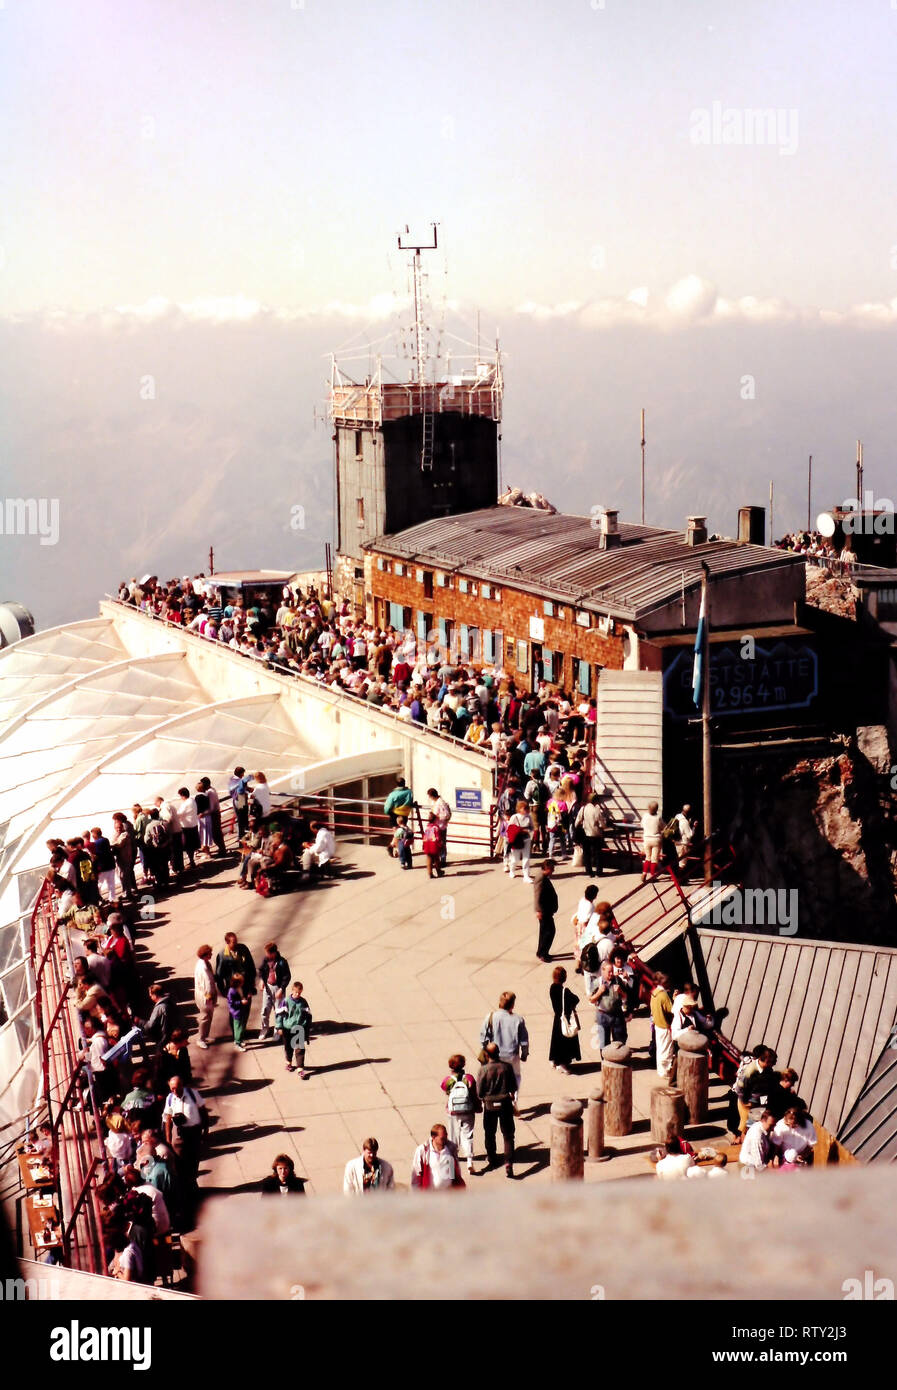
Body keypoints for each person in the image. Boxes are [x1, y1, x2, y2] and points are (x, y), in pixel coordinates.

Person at [161, 1075, 208, 1204]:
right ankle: (187, 1190)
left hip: (194, 1132)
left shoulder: (193, 1095)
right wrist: (168, 1137)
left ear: (182, 1085)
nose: (175, 1091)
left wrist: (206, 1130)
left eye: (177, 1088)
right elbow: (168, 1119)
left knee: (194, 1160)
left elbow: (203, 1111)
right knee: (180, 1164)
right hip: (179, 1134)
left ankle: (193, 1185)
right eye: (172, 1089)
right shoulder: (170, 1099)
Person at [476, 1043, 517, 1177]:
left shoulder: (484, 1070)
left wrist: (483, 1097)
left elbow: (479, 1091)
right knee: (508, 1135)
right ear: (499, 1052)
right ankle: (509, 1163)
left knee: (489, 1133)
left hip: (490, 1105)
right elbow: (513, 1086)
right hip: (505, 1104)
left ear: (486, 1055)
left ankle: (492, 1158)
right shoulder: (507, 1067)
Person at [479, 991, 529, 1100]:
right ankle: (514, 1098)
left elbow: (483, 1038)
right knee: (516, 1076)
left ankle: (496, 1097)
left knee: (494, 1075)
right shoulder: (518, 1019)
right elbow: (524, 1041)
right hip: (512, 1055)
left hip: (495, 1055)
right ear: (512, 1004)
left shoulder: (490, 1017)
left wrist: (485, 1049)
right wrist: (524, 1054)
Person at [440, 1054, 480, 1174]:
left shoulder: (448, 1080)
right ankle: (469, 1161)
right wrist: (477, 1106)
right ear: (463, 1064)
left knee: (453, 1137)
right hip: (468, 1110)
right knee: (468, 1135)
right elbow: (474, 1094)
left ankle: (452, 1163)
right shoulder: (469, 1079)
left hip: (453, 1112)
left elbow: (444, 1088)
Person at [411, 1124, 466, 1190]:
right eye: (442, 1138)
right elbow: (416, 1173)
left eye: (446, 1136)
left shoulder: (451, 1148)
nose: (446, 1140)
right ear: (433, 1137)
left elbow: (454, 1172)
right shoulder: (422, 1151)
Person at [589, 960, 627, 1053]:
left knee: (619, 1040)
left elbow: (626, 996)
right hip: (603, 1015)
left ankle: (619, 1060)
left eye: (612, 971)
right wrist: (599, 992)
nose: (611, 974)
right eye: (609, 971)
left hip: (617, 1014)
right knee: (603, 1042)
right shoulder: (597, 983)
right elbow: (591, 999)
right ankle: (605, 1062)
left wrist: (620, 991)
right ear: (603, 970)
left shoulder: (618, 980)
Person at [548, 966, 581, 1075]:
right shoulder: (564, 991)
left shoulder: (552, 988)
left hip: (557, 1018)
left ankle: (554, 1060)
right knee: (565, 1042)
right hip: (565, 1018)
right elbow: (576, 999)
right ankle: (562, 1064)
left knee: (556, 1041)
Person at [277, 981, 313, 1078]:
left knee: (300, 1049)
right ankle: (289, 1062)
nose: (297, 994)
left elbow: (308, 1015)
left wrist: (307, 1027)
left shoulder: (303, 1002)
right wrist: (279, 1027)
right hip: (287, 1028)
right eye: (296, 992)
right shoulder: (286, 1001)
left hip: (299, 1028)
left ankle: (300, 1068)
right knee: (288, 1047)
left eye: (299, 993)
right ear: (292, 990)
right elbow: (280, 1015)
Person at [258, 942, 291, 1040]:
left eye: (268, 953)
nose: (266, 955)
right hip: (268, 987)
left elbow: (287, 976)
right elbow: (261, 970)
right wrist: (261, 980)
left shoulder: (282, 962)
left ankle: (278, 1030)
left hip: (278, 988)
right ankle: (264, 1028)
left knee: (279, 1011)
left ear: (273, 953)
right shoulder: (266, 960)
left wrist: (282, 989)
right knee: (264, 1010)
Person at [650, 971, 675, 1081]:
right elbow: (671, 1010)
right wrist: (673, 998)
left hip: (657, 1024)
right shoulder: (664, 996)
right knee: (667, 1050)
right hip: (664, 1026)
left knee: (660, 1049)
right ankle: (666, 1072)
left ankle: (661, 1070)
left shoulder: (654, 993)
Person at [534, 857, 558, 961]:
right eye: (552, 869)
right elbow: (537, 895)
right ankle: (543, 953)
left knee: (544, 932)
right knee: (549, 931)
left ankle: (542, 952)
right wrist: (538, 910)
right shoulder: (541, 878)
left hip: (546, 910)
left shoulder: (543, 877)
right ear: (547, 868)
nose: (553, 871)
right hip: (544, 911)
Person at [577, 793, 607, 877]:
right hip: (595, 834)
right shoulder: (596, 810)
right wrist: (604, 826)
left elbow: (577, 820)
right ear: (596, 801)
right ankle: (598, 872)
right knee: (598, 853)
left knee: (587, 853)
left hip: (586, 834)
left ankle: (589, 871)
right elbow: (602, 824)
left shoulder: (583, 809)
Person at [193, 944, 217, 1050]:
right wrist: (209, 996)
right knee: (205, 1017)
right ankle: (201, 1039)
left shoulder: (205, 963)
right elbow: (206, 983)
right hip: (205, 996)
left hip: (207, 995)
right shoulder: (203, 967)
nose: (211, 955)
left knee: (208, 1016)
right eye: (209, 953)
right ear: (205, 955)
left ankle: (204, 1036)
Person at [739, 1111, 776, 1176]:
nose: (773, 1128)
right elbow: (759, 1164)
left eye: (774, 1125)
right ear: (763, 1121)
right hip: (749, 1166)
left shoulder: (762, 1127)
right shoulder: (757, 1136)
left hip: (758, 1162)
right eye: (771, 1125)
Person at [506, 799, 534, 883]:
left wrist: (527, 831)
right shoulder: (514, 817)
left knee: (526, 858)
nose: (525, 810)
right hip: (516, 840)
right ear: (519, 809)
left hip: (526, 839)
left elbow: (532, 827)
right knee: (515, 859)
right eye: (523, 808)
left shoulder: (529, 817)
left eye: (526, 808)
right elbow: (510, 828)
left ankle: (526, 876)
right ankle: (512, 870)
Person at [226, 972, 251, 1051]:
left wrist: (245, 997)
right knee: (238, 1028)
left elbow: (240, 997)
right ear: (237, 983)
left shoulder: (238, 988)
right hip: (236, 1012)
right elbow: (231, 1003)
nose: (243, 983)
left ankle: (239, 1040)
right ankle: (237, 1042)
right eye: (241, 982)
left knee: (241, 1026)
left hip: (241, 1011)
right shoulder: (232, 991)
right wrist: (241, 1002)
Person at [641, 801, 664, 882]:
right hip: (656, 839)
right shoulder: (658, 817)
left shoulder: (645, 816)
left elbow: (642, 825)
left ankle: (644, 873)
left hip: (646, 839)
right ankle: (652, 875)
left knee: (647, 857)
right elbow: (663, 827)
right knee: (654, 859)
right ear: (656, 809)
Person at [421, 812, 444, 879]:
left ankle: (430, 873)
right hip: (434, 844)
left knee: (429, 858)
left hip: (427, 844)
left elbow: (425, 836)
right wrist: (441, 845)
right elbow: (438, 837)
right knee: (436, 859)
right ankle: (438, 871)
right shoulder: (436, 827)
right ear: (435, 820)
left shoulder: (427, 827)